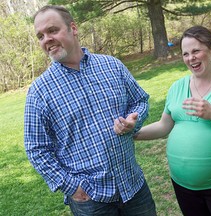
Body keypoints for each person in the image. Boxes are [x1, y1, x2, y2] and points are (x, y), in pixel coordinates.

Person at [24, 5, 157, 216]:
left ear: (73, 28)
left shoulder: (112, 66)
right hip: (91, 202)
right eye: (40, 36)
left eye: (52, 30)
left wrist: (135, 120)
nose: (46, 39)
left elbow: (139, 100)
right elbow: (36, 149)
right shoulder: (40, 91)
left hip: (134, 187)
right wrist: (71, 186)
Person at [134, 25, 211, 216]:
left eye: (196, 51)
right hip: (183, 188)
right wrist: (134, 133)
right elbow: (164, 125)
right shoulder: (177, 87)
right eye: (185, 53)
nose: (190, 58)